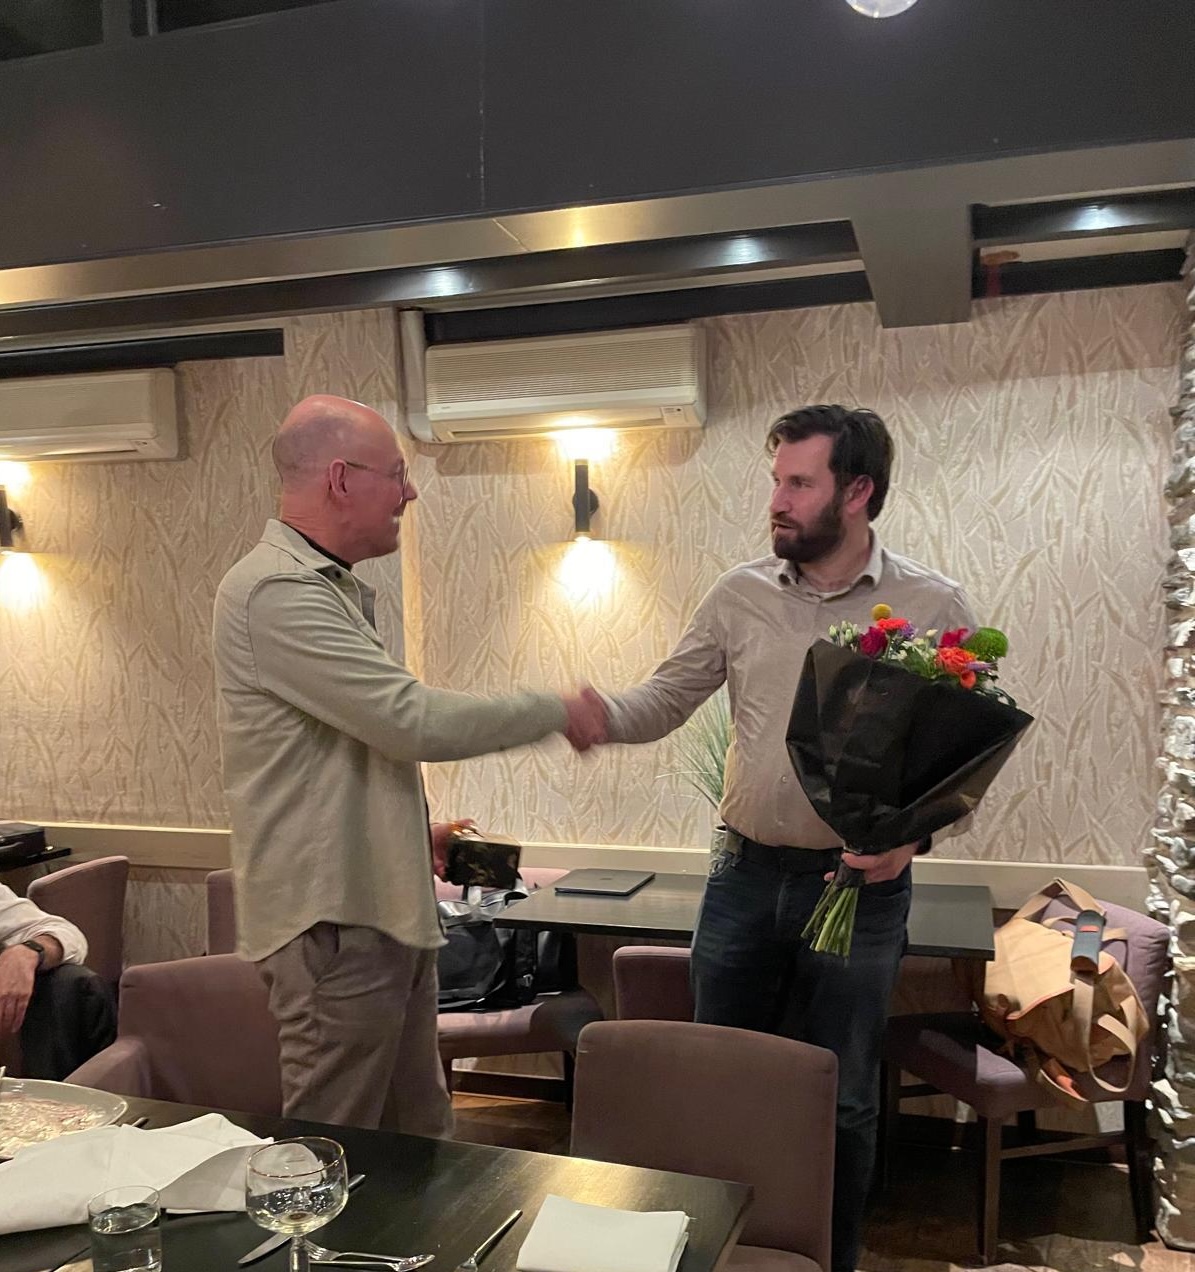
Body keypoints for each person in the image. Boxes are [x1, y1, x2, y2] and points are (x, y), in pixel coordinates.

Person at [599, 404, 976, 1272]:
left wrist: (910, 843)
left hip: (857, 892)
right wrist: (586, 713)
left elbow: (958, 766)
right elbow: (664, 699)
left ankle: (827, 1263)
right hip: (741, 878)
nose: (776, 500)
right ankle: (716, 1258)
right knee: (719, 1081)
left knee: (840, 1098)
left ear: (857, 491)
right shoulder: (738, 593)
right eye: (775, 480)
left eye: (798, 483)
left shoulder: (930, 604)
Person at [212, 394, 606, 1136]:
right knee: (335, 1151)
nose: (410, 492)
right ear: (340, 479)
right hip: (337, 929)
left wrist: (408, 835)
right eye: (396, 473)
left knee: (420, 1142)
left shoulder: (323, 588)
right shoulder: (277, 591)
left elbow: (339, 758)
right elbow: (410, 720)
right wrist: (555, 709)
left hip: (375, 916)